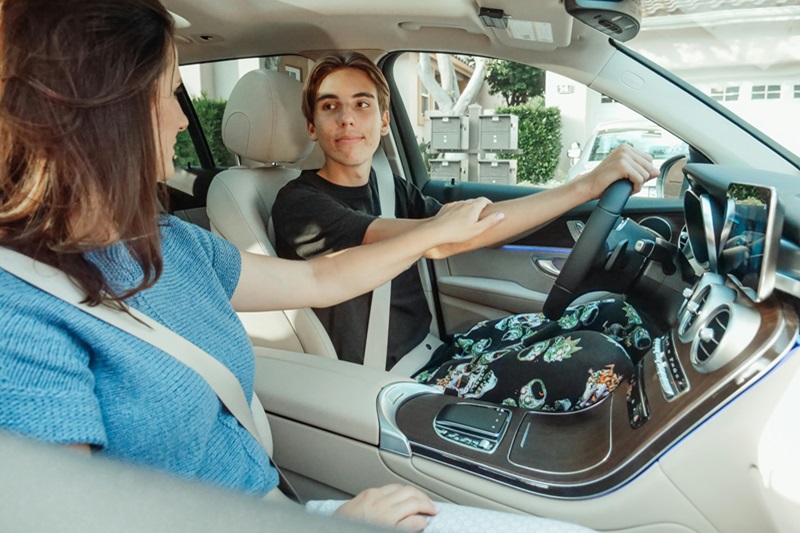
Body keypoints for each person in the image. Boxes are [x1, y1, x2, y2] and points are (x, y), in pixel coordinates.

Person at [0, 1, 596, 531]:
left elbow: (319, 278)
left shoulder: (170, 240)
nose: (183, 119)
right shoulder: (20, 309)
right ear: (110, 112)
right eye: (167, 95)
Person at [272, 52, 658, 411]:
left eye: (362, 104)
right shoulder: (300, 204)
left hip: (437, 350)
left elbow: (480, 225)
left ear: (384, 119)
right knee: (597, 360)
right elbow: (439, 240)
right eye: (329, 106)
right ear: (311, 126)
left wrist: (583, 191)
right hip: (394, 380)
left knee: (616, 313)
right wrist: (585, 186)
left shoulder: (390, 187)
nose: (347, 118)